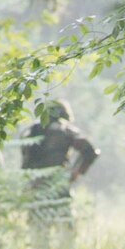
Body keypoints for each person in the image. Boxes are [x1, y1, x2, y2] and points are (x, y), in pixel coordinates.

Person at [19, 99, 99, 232]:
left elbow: (25, 160)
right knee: (65, 226)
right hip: (58, 184)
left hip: (36, 185)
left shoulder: (31, 131)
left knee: (37, 227)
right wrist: (75, 173)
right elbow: (90, 152)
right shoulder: (65, 130)